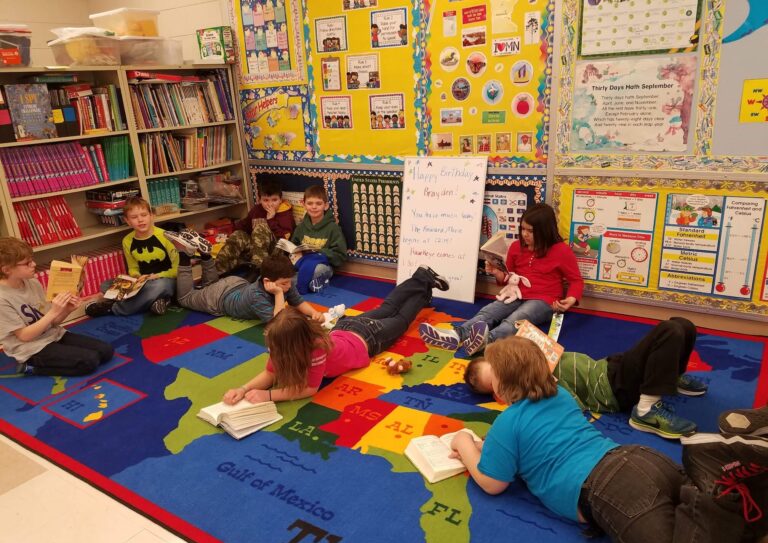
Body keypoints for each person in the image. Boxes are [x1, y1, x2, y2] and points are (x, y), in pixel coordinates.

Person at [450, 337, 768, 543]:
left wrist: (464, 442)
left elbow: (492, 482)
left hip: (609, 488)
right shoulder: (560, 393)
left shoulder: (508, 421)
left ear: (502, 389)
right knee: (742, 528)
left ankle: (709, 488)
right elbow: (533, 441)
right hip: (640, 457)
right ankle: (717, 478)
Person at [222, 266, 448, 404]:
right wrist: (243, 389)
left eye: (275, 348)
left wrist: (269, 396)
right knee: (388, 308)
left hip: (367, 339)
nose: (272, 352)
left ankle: (424, 289)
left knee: (400, 319)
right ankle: (421, 278)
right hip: (347, 326)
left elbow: (309, 389)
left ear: (294, 345)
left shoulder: (315, 349)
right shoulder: (285, 342)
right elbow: (270, 374)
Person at [465, 317, 708, 438]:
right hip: (613, 387)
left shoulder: (527, 362)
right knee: (670, 330)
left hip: (608, 367)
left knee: (683, 325)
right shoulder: (537, 387)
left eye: (497, 366)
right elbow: (570, 407)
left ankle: (669, 376)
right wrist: (550, 382)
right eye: (496, 377)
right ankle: (645, 411)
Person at [420, 203, 583, 356]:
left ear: (545, 231)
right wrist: (497, 273)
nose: (525, 234)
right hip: (516, 293)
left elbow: (576, 280)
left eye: (531, 231)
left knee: (518, 316)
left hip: (544, 300)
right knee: (490, 311)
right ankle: (457, 334)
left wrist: (570, 299)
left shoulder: (561, 251)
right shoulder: (516, 247)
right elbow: (508, 278)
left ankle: (488, 341)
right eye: (523, 229)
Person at [0, 238, 114, 376]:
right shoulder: (2, 298)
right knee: (89, 361)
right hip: (30, 347)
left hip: (52, 335)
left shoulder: (32, 282)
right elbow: (24, 336)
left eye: (32, 259)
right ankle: (30, 367)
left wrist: (66, 310)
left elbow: (52, 322)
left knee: (106, 351)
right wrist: (53, 312)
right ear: (6, 270)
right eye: (27, 263)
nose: (34, 264)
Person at [165, 229, 322, 323]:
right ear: (267, 281)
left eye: (289, 282)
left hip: (235, 283)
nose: (288, 286)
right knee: (184, 298)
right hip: (218, 299)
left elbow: (298, 302)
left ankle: (206, 255)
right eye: (284, 284)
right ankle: (184, 253)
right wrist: (279, 293)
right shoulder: (258, 296)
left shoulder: (284, 281)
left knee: (209, 285)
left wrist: (314, 313)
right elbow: (278, 322)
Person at [85, 197, 178, 317]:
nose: (140, 220)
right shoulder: (127, 241)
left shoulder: (165, 236)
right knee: (105, 285)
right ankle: (158, 301)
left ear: (151, 215)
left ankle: (114, 308)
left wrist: (156, 276)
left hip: (165, 280)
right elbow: (133, 268)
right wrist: (137, 277)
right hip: (143, 283)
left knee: (160, 286)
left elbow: (177, 269)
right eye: (134, 217)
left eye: (144, 215)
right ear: (127, 221)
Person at [215, 180, 295, 277]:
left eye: (274, 200)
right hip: (255, 248)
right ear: (259, 200)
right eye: (266, 200)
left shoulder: (285, 214)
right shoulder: (257, 210)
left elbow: (284, 238)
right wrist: (228, 232)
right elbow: (245, 225)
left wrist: (271, 220)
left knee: (260, 228)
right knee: (238, 235)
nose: (270, 204)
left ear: (280, 200)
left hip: (276, 250)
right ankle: (220, 271)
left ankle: (259, 271)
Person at [289, 184, 348, 293]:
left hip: (323, 265)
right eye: (310, 203)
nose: (314, 207)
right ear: (303, 204)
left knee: (318, 269)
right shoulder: (301, 227)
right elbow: (294, 247)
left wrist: (319, 251)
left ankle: (290, 284)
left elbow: (340, 256)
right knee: (284, 266)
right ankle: (312, 283)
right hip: (302, 262)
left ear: (325, 206)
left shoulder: (333, 228)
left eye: (318, 203)